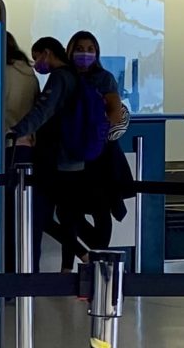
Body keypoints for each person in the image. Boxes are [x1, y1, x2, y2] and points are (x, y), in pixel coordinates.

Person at [10, 29, 131, 260]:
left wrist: (93, 135)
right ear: (69, 51)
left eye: (90, 50)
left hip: (91, 157)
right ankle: (87, 259)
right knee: (70, 213)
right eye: (79, 49)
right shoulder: (72, 77)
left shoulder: (91, 78)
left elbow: (114, 113)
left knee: (88, 211)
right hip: (77, 155)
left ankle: (95, 261)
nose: (85, 54)